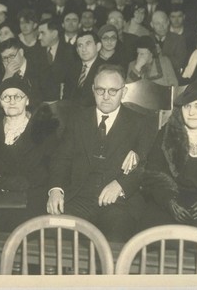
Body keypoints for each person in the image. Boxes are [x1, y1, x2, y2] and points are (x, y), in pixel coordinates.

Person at [47, 64, 156, 241]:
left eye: (113, 91)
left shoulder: (141, 123)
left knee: (116, 239)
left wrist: (121, 185)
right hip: (80, 197)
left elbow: (147, 166)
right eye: (100, 90)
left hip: (119, 203)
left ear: (124, 91)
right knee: (53, 236)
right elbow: (61, 158)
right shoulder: (77, 119)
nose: (106, 97)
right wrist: (56, 190)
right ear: (93, 90)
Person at [140, 82, 197, 246]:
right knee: (149, 228)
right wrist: (169, 201)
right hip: (174, 200)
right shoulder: (168, 133)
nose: (191, 112)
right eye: (187, 106)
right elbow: (154, 172)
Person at [0, 76, 59, 231]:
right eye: (6, 97)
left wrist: (19, 182)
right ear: (0, 102)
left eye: (17, 96)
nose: (12, 101)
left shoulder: (43, 128)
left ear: (27, 100)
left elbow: (49, 166)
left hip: (32, 193)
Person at [63, 31, 106, 107]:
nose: (84, 49)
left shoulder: (106, 69)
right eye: (80, 45)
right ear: (77, 50)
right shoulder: (72, 68)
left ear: (98, 46)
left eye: (88, 44)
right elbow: (66, 97)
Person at [38, 18, 76, 102]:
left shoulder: (71, 52)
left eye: (42, 33)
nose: (39, 37)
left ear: (54, 34)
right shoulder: (35, 52)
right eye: (39, 33)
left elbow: (72, 82)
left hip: (63, 103)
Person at [150, 10, 188, 81]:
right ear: (152, 25)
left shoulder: (178, 39)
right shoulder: (147, 39)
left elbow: (180, 63)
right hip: (151, 79)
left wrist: (161, 54)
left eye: (164, 22)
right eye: (157, 24)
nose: (161, 26)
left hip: (172, 79)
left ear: (168, 22)